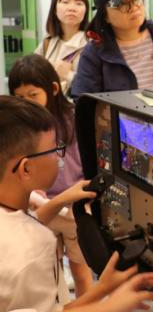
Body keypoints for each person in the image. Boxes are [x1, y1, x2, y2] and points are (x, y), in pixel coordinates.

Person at [0, 95, 153, 312]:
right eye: (53, 149)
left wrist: (101, 289)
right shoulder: (32, 249)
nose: (59, 157)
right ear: (26, 168)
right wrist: (109, 307)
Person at [9, 54, 93, 296]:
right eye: (19, 98)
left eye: (32, 95)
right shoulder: (21, 128)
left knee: (81, 271)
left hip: (76, 208)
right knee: (50, 271)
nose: (26, 103)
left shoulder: (74, 118)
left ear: (53, 89)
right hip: (43, 207)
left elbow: (86, 160)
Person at [35, 0, 90, 95]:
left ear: (85, 11)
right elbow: (33, 74)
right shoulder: (48, 41)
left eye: (79, 3)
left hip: (78, 105)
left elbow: (98, 88)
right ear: (54, 9)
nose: (72, 8)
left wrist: (69, 75)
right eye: (65, 2)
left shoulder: (93, 44)